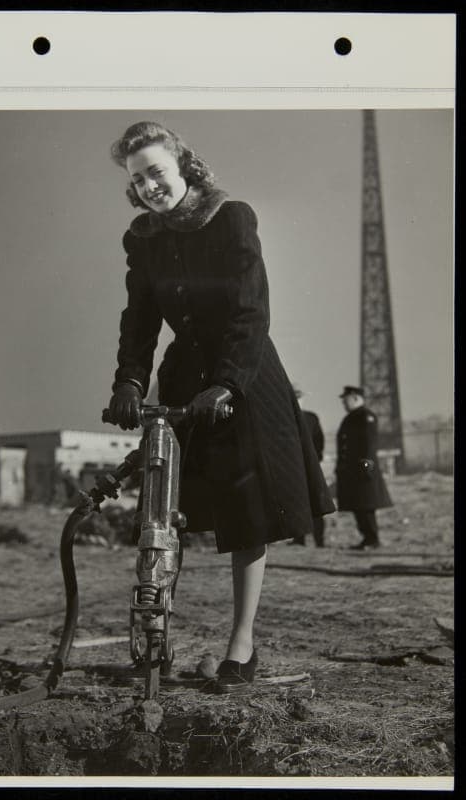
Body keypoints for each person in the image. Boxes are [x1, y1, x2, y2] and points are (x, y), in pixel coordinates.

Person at [105, 121, 335, 692]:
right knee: (164, 512)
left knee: (245, 511)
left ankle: (241, 645)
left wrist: (228, 383)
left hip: (244, 375)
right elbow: (139, 321)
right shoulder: (144, 239)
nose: (151, 186)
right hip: (185, 379)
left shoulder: (231, 218)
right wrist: (130, 382)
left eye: (157, 172)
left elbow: (250, 311)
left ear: (183, 165)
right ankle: (156, 639)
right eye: (139, 179)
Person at [335, 386, 393, 549]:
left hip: (363, 470)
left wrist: (366, 468)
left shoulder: (365, 417)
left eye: (345, 400)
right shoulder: (350, 418)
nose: (343, 404)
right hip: (352, 471)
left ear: (355, 398)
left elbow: (369, 446)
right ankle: (367, 538)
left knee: (366, 505)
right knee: (358, 505)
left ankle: (373, 539)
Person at [294, 387, 326, 547]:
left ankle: (318, 540)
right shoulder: (287, 415)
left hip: (307, 466)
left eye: (300, 397)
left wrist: (316, 459)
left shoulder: (311, 418)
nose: (299, 400)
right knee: (299, 502)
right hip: (297, 467)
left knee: (314, 502)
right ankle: (301, 539)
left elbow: (319, 441)